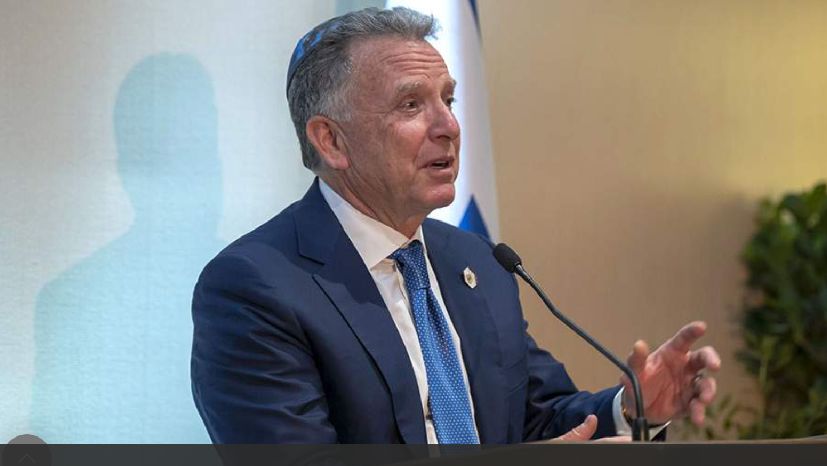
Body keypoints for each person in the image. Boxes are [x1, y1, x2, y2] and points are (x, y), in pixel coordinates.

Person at [190, 7, 720, 444]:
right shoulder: (255, 287)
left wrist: (630, 408)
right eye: (410, 104)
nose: (447, 125)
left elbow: (537, 419)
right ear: (331, 141)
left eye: (448, 98)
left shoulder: (478, 263)